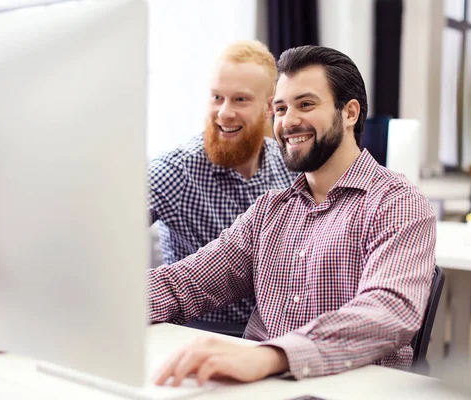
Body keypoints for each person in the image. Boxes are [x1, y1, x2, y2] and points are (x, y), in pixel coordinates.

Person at [148, 45, 437, 386]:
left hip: (351, 390)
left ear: (349, 113)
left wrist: (271, 356)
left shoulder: (396, 203)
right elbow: (185, 283)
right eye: (281, 108)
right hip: (258, 389)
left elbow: (388, 312)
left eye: (306, 104)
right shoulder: (270, 210)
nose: (288, 121)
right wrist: (105, 305)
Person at [148, 40, 295, 326]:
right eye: (217, 97)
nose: (224, 112)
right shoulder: (175, 170)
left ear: (270, 107)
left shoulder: (290, 167)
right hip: (195, 334)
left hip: (273, 335)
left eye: (240, 99)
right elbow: (107, 241)